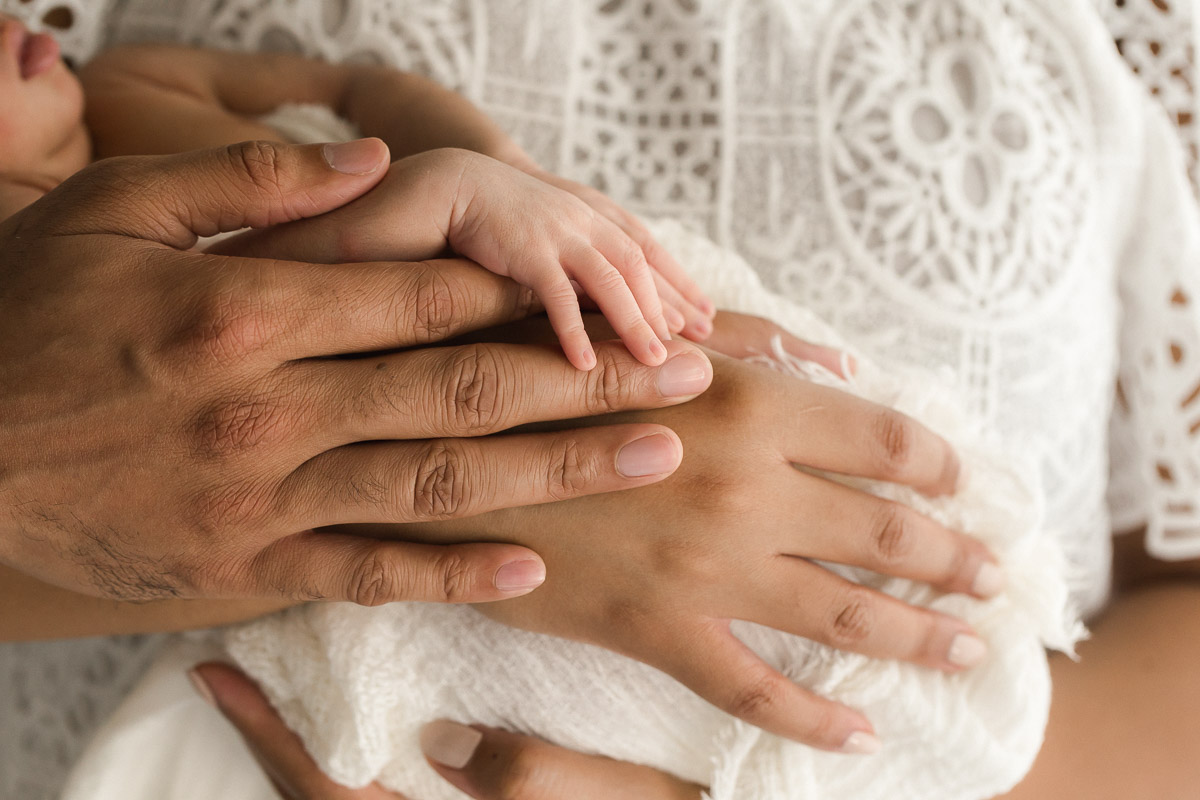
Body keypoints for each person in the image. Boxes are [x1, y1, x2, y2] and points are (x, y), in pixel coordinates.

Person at [0, 5, 999, 780]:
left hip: (541, 320)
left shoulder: (137, 80)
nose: (21, 30)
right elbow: (191, 544)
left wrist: (485, 165)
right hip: (383, 532)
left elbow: (356, 88)